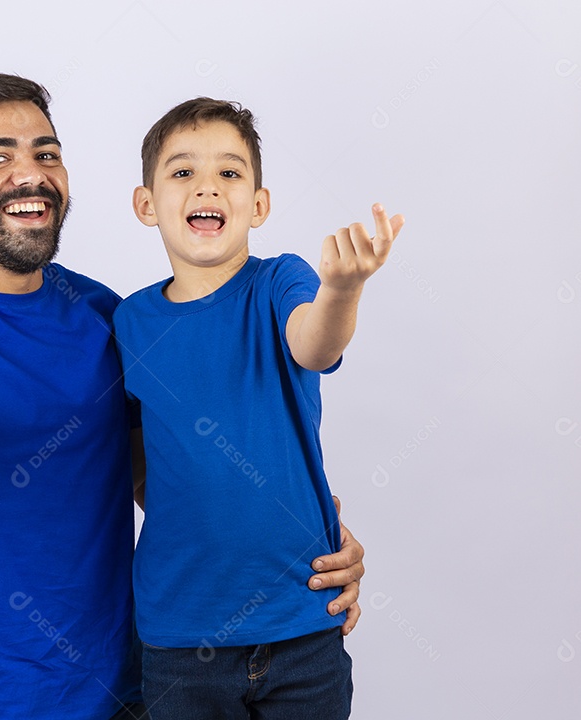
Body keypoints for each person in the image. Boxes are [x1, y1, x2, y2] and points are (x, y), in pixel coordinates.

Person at [0, 74, 366, 719]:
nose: (29, 174)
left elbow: (162, 474)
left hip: (135, 689)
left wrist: (299, 544)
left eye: (46, 153)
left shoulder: (102, 315)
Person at [114, 97, 404, 719]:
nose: (207, 187)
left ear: (259, 203)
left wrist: (343, 289)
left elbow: (316, 341)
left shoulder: (282, 283)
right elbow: (139, 457)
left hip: (304, 624)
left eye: (229, 172)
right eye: (183, 172)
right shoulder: (131, 321)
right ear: (146, 204)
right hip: (178, 639)